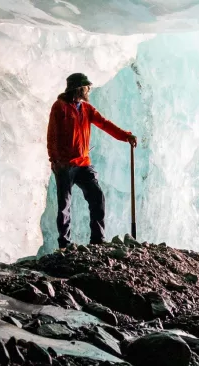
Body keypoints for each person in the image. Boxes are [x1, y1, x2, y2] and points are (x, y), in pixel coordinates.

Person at [46, 72, 137, 249]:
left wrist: (126, 136)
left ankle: (97, 239)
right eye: (87, 87)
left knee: (97, 197)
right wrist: (55, 160)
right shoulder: (60, 107)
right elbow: (52, 135)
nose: (89, 90)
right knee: (64, 205)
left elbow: (105, 124)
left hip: (83, 164)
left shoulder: (87, 109)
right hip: (65, 165)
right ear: (79, 88)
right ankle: (64, 244)